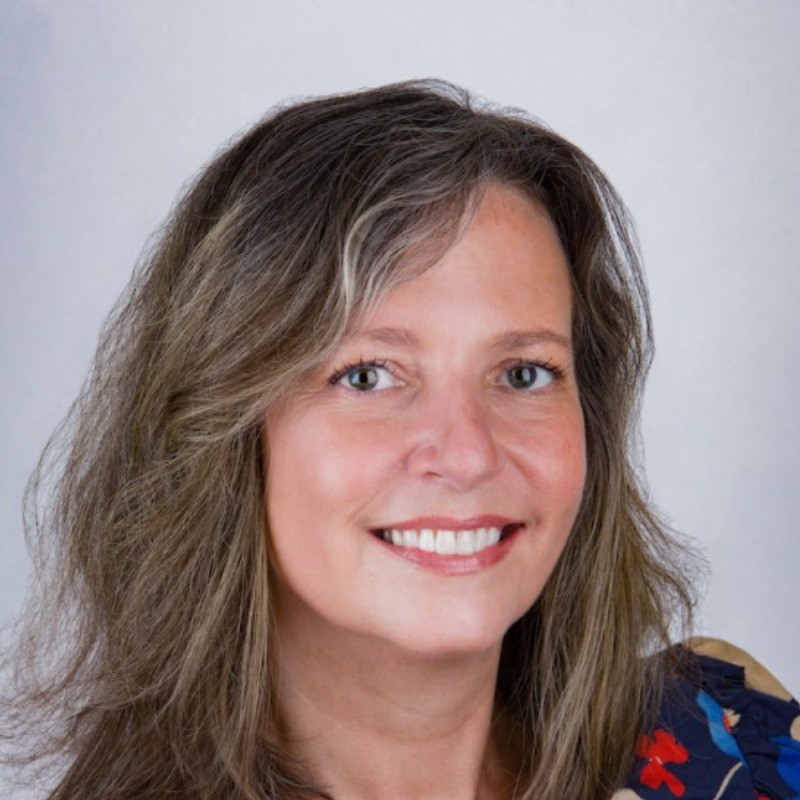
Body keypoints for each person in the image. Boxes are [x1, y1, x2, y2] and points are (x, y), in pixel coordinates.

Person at [2, 80, 798, 800]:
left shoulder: (727, 746)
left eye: (523, 373)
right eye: (368, 375)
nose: (466, 454)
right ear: (224, 432)